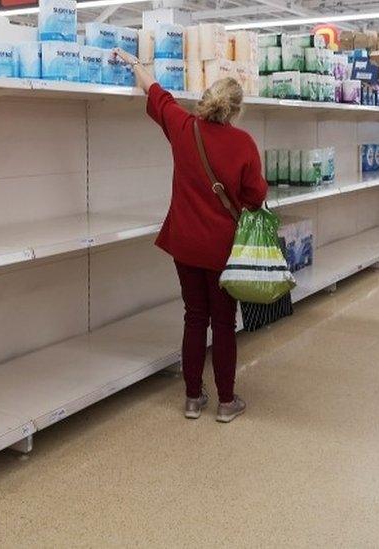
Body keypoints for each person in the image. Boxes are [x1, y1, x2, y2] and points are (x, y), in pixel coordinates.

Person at [114, 48, 267, 423]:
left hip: (184, 243)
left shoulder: (184, 129)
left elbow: (157, 94)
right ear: (234, 110)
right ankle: (227, 402)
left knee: (194, 316)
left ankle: (193, 398)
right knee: (224, 322)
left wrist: (134, 64)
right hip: (222, 248)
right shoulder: (244, 143)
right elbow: (256, 196)